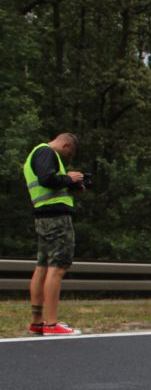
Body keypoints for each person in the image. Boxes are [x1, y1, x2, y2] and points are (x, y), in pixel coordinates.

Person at [23, 133, 86, 335]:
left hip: (43, 217)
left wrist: (70, 186)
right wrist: (70, 177)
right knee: (57, 267)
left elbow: (48, 183)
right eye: (69, 154)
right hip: (56, 219)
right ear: (66, 144)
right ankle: (51, 324)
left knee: (42, 266)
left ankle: (37, 321)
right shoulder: (46, 152)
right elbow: (47, 179)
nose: (67, 158)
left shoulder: (36, 154)